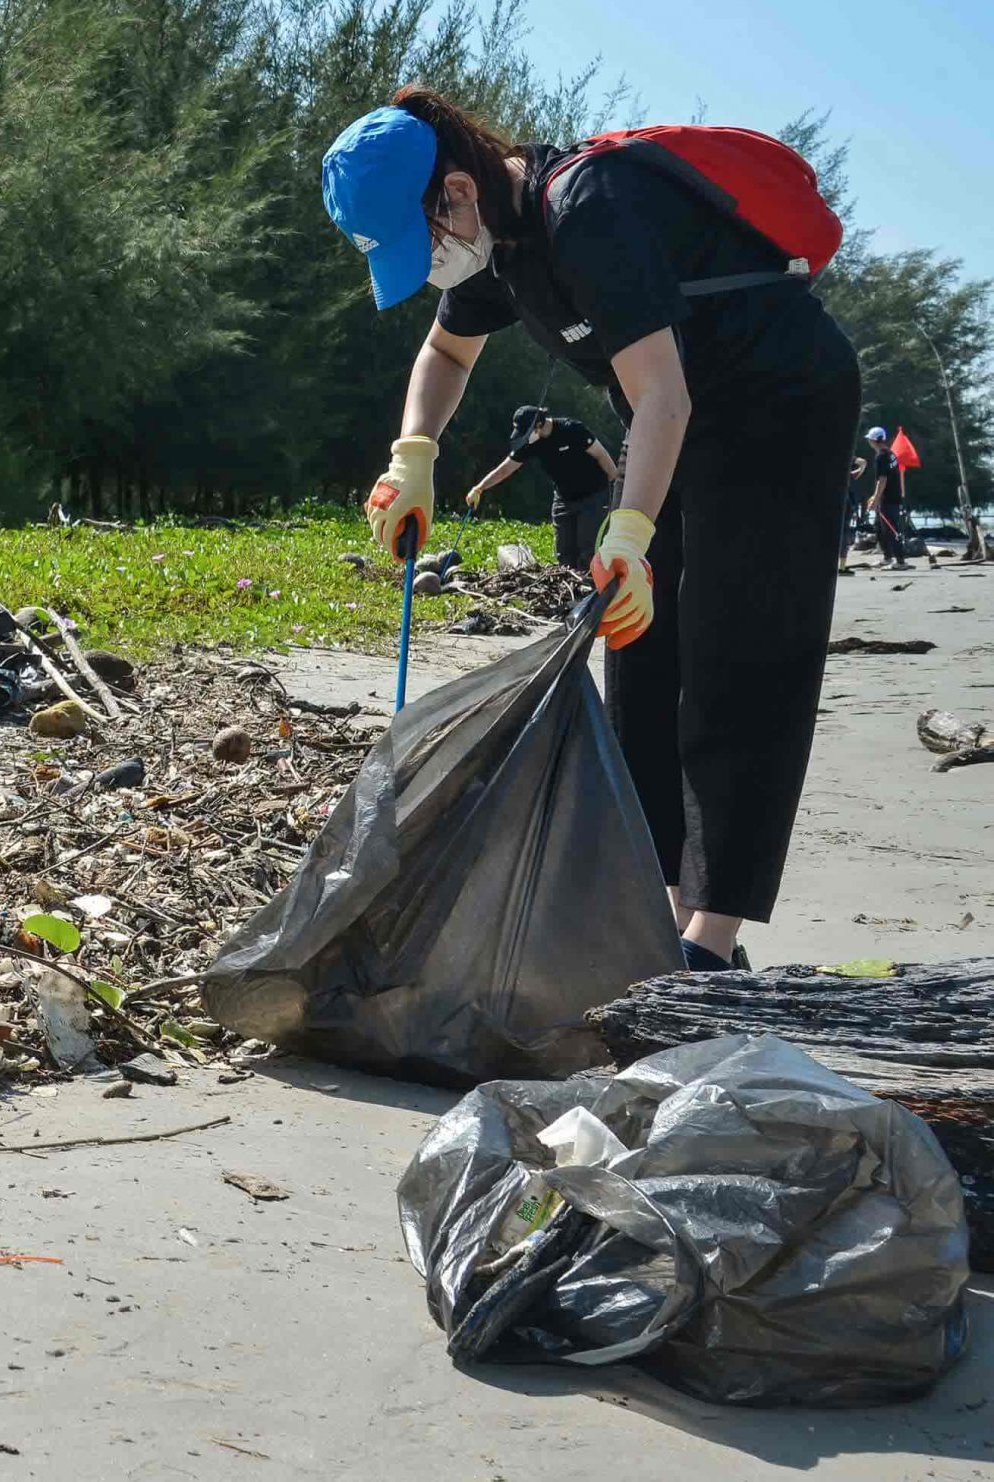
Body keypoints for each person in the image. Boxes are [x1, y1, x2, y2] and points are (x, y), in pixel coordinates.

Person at [322, 88, 860, 973]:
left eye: (424, 248)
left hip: (777, 404)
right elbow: (445, 354)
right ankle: (646, 908)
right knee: (636, 643)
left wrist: (630, 531)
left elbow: (663, 395)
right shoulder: (493, 242)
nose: (429, 272)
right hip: (675, 414)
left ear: (455, 193)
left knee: (739, 644)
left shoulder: (588, 210)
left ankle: (711, 939)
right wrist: (411, 455)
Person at [464, 405, 621, 571]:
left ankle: (591, 591)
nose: (524, 437)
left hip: (593, 497)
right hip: (564, 500)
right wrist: (479, 488)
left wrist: (616, 490)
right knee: (564, 554)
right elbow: (506, 468)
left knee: (588, 550)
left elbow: (602, 457)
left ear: (538, 425)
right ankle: (571, 593)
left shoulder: (572, 430)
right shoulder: (530, 442)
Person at [862, 425, 914, 569]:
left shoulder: (881, 457)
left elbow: (882, 480)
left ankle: (900, 561)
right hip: (889, 497)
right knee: (879, 528)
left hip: (889, 499)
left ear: (873, 440)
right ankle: (887, 557)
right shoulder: (890, 454)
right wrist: (874, 497)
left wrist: (876, 499)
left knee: (891, 530)